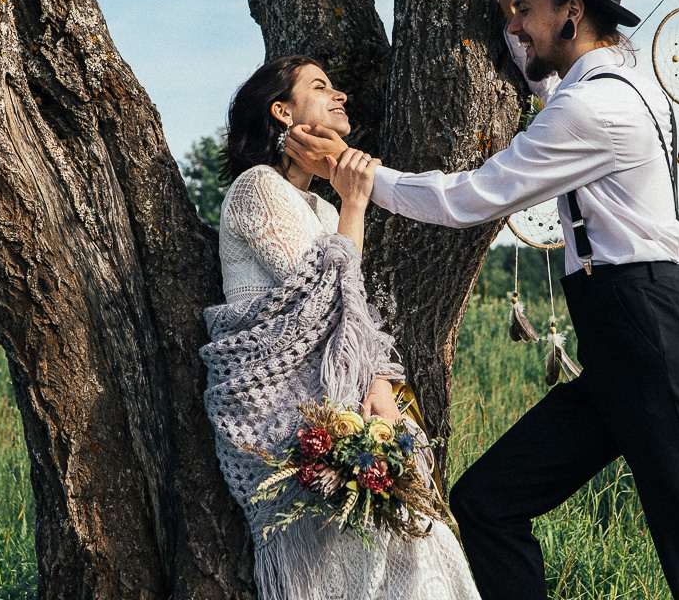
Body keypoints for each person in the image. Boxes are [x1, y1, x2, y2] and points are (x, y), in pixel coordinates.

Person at [290, 0, 679, 600]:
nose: (513, 22)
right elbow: (538, 76)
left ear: (572, 13)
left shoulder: (593, 107)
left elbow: (470, 197)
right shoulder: (613, 86)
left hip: (648, 336)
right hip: (623, 340)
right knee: (489, 502)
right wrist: (513, 12)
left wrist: (355, 174)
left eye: (525, 9)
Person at [198, 55, 481, 600]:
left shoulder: (321, 211)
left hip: (342, 400)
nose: (340, 95)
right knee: (346, 561)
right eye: (321, 86)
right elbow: (323, 294)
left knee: (419, 548)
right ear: (282, 112)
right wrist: (355, 200)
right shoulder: (258, 187)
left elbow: (350, 313)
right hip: (280, 412)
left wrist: (377, 384)